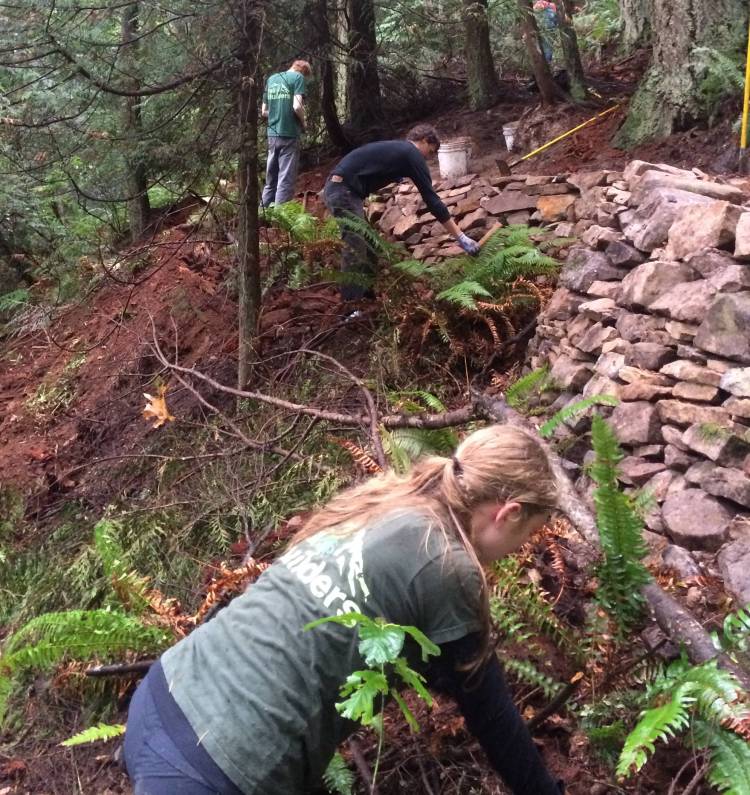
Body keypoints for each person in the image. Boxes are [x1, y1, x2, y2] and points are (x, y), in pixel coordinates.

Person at [124, 424, 565, 795]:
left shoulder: (388, 500)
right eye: (529, 533)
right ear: (509, 513)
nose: (519, 549)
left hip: (164, 693)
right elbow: (492, 715)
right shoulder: (449, 565)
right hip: (221, 765)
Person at [323, 124, 481, 302]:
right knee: (355, 245)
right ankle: (350, 306)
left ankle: (366, 300)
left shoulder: (399, 151)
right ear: (424, 141)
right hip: (343, 190)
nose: (427, 158)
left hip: (340, 188)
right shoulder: (411, 153)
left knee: (369, 247)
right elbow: (432, 200)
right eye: (430, 152)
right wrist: (460, 236)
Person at [260, 59, 311, 207]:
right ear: (303, 72)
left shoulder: (272, 79)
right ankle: (280, 217)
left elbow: (264, 111)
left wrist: (277, 113)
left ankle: (262, 214)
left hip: (272, 134)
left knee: (271, 180)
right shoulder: (298, 78)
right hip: (289, 133)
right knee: (285, 180)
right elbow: (297, 106)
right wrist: (304, 122)